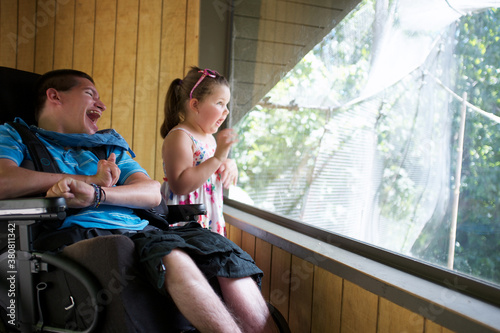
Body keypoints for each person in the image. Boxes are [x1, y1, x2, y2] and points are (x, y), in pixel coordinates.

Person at [0, 69, 280, 333]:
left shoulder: (108, 146)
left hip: (144, 231)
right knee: (170, 255)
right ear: (54, 96)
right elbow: (4, 181)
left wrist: (97, 192)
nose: (101, 104)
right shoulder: (16, 135)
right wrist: (86, 183)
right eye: (90, 94)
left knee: (218, 250)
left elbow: (150, 192)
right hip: (75, 235)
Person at [160, 67, 237, 236]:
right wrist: (217, 159)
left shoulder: (208, 137)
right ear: (195, 104)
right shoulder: (180, 136)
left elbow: (206, 169)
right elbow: (180, 184)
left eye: (227, 104)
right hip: (184, 222)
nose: (227, 111)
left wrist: (227, 163)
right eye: (220, 103)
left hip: (208, 217)